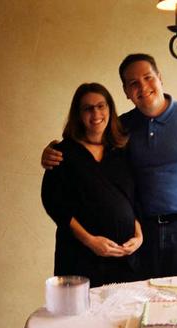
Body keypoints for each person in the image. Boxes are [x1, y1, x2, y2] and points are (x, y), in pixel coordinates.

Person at [42, 54, 177, 279]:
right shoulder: (121, 128)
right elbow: (86, 146)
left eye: (148, 77)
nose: (143, 87)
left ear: (160, 78)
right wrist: (52, 151)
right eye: (133, 83)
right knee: (145, 300)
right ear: (126, 92)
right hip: (145, 232)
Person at [41, 82, 143, 287]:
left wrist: (139, 236)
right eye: (88, 108)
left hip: (124, 257)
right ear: (78, 114)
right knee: (81, 316)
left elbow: (133, 200)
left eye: (101, 106)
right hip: (80, 256)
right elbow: (54, 203)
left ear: (110, 110)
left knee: (123, 315)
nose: (95, 112)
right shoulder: (62, 152)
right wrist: (90, 241)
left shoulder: (121, 151)